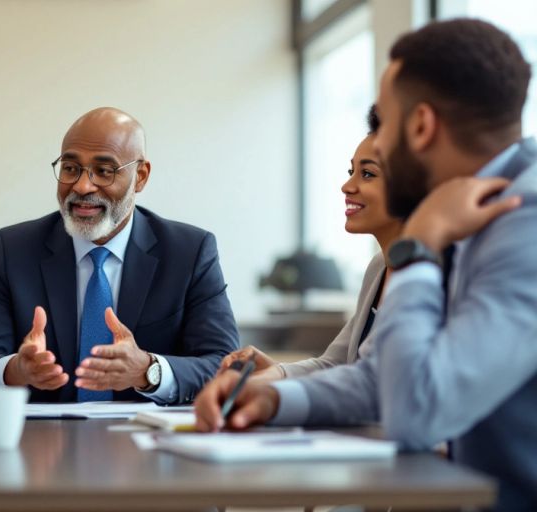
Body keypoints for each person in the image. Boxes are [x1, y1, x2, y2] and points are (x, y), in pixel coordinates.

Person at [194, 19, 537, 510]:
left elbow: (416, 411)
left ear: (420, 126)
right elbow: (385, 376)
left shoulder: (523, 220)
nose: (379, 141)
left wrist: (416, 245)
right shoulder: (474, 208)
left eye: (387, 122)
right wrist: (271, 400)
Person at [0, 107, 239, 404]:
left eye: (104, 171)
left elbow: (227, 366)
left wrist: (148, 370)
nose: (82, 186)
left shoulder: (189, 252)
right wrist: (14, 370)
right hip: (43, 442)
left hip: (146, 441)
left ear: (140, 176)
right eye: (71, 168)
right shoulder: (14, 250)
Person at [218, 106, 403, 379]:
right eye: (351, 171)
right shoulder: (378, 268)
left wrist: (273, 391)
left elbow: (372, 382)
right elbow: (335, 364)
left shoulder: (439, 273)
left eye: (367, 174)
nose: (347, 186)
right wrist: (275, 373)